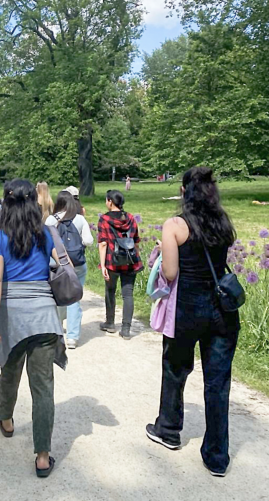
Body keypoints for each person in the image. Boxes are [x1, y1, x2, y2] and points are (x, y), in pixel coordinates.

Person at [146, 167, 239, 477]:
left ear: (184, 192)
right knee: (217, 383)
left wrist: (161, 254)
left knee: (175, 369)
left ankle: (169, 430)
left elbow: (170, 273)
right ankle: (217, 456)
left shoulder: (175, 225)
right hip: (222, 311)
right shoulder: (223, 223)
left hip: (188, 309)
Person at [0, 179, 67, 478]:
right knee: (43, 386)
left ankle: (5, 418)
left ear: (5, 204)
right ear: (34, 202)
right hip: (44, 316)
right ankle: (43, 456)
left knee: (9, 371)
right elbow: (57, 266)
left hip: (11, 315)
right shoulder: (46, 234)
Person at [45, 191, 94, 349]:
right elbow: (89, 240)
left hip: (57, 265)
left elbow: (45, 241)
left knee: (57, 296)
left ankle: (57, 328)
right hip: (78, 264)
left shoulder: (51, 220)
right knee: (74, 300)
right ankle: (72, 337)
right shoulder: (80, 219)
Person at [97, 190, 143, 339]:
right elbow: (136, 240)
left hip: (112, 261)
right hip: (129, 260)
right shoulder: (130, 217)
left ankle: (110, 323)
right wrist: (137, 258)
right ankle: (126, 329)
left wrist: (102, 265)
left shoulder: (104, 219)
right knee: (127, 295)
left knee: (110, 291)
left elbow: (103, 243)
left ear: (110, 201)